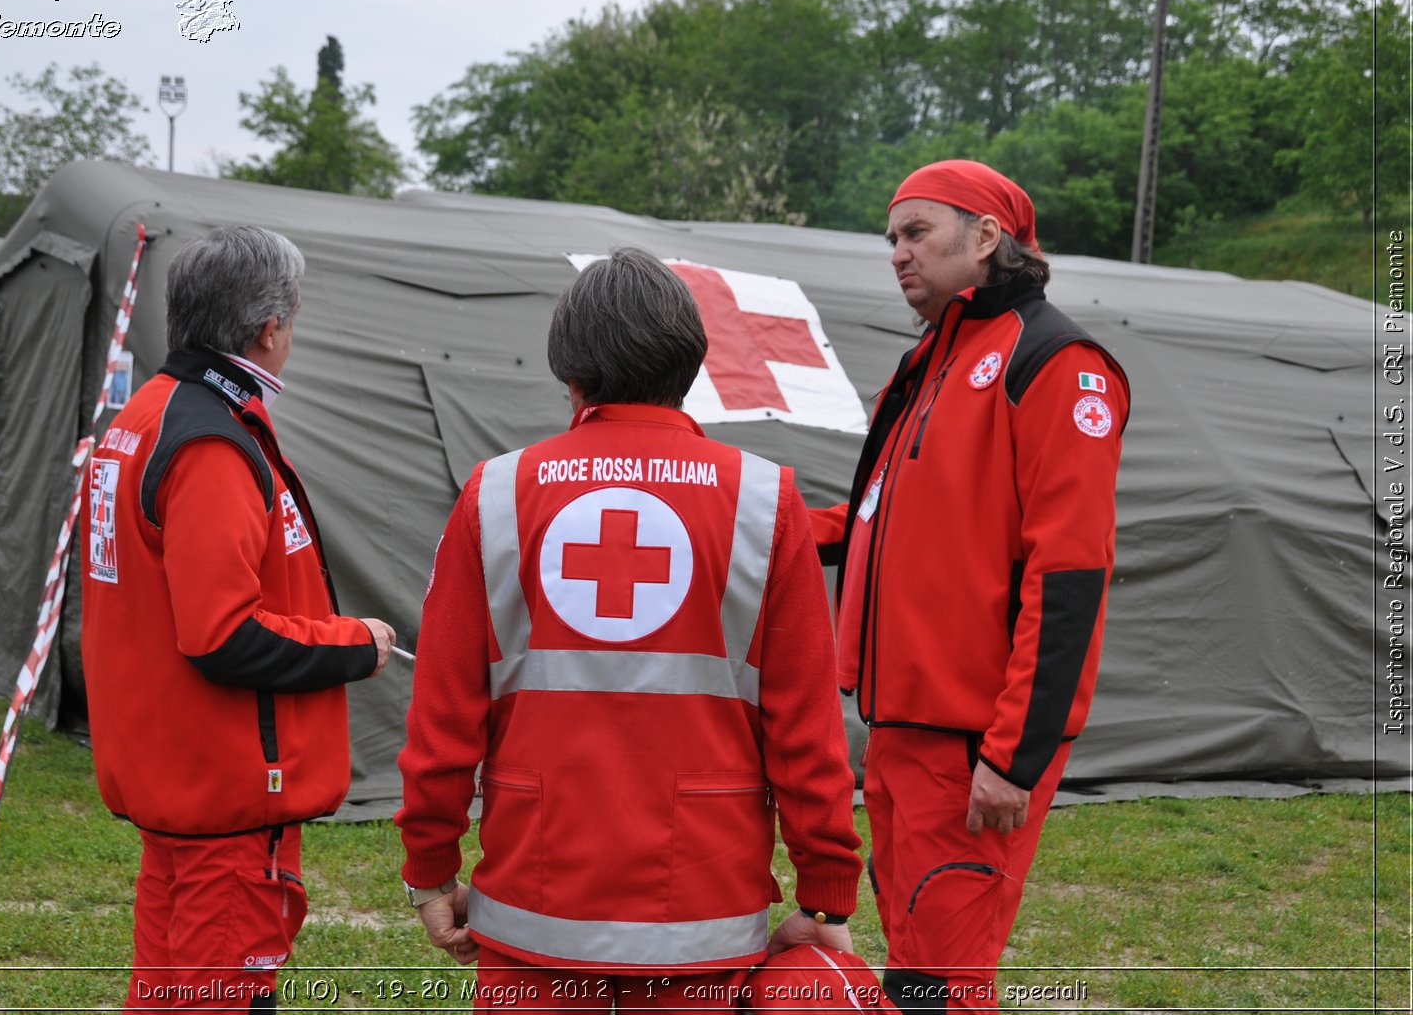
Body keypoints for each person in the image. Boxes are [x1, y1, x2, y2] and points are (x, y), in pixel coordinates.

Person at [396, 246, 863, 1011]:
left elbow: (443, 711)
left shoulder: (498, 494)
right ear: (691, 366)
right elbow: (806, 725)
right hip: (703, 915)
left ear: (569, 371)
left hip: (533, 909)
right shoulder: (764, 501)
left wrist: (432, 866)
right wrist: (826, 892)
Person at [808, 160, 1130, 1012]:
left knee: (941, 981)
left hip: (975, 743)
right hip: (901, 728)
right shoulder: (923, 364)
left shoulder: (1057, 361)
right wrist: (740, 517)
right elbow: (868, 517)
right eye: (892, 238)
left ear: (986, 236)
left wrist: (1012, 758)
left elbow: (1071, 572)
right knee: (915, 953)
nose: (897, 254)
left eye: (917, 233)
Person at [81, 225, 395, 1013]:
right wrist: (353, 642)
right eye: (293, 317)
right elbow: (221, 632)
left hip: (180, 786)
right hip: (222, 799)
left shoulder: (147, 415)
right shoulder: (208, 441)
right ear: (268, 328)